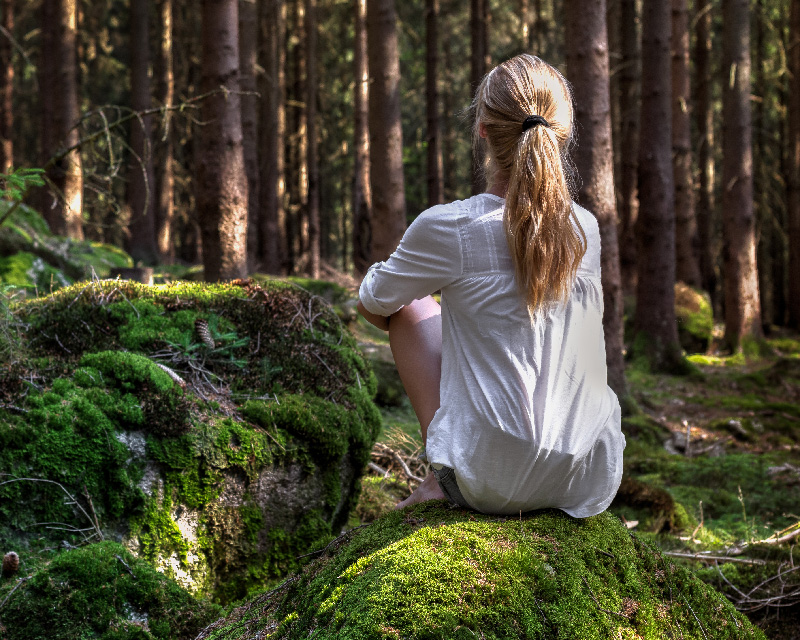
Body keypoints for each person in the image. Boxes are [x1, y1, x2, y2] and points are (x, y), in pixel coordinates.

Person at [357, 54, 625, 517]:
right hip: (587, 475)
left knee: (410, 306)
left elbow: (373, 301)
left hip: (487, 481)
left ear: (482, 128)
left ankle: (441, 476)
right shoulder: (585, 228)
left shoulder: (450, 227)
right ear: (561, 131)